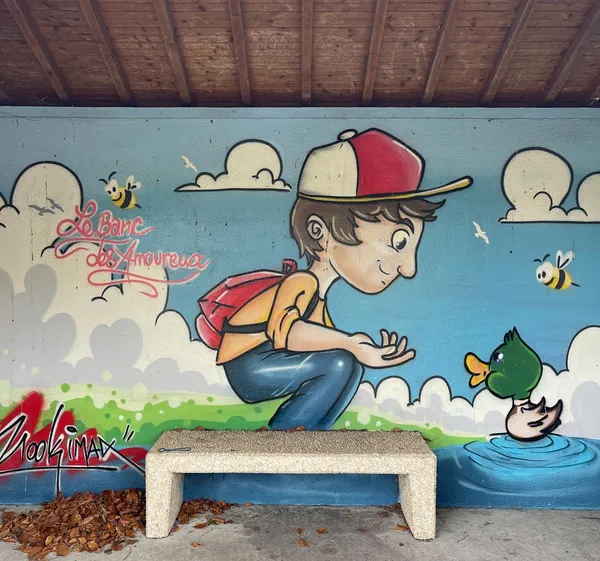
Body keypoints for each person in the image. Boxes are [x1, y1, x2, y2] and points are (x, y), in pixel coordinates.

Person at [216, 128, 472, 430]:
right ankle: (286, 438)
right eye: (399, 242)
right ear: (320, 231)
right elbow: (287, 334)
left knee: (347, 365)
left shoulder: (318, 298)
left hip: (264, 363)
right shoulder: (302, 283)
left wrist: (362, 349)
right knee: (340, 362)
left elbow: (320, 343)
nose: (408, 269)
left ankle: (306, 436)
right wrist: (351, 343)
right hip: (249, 366)